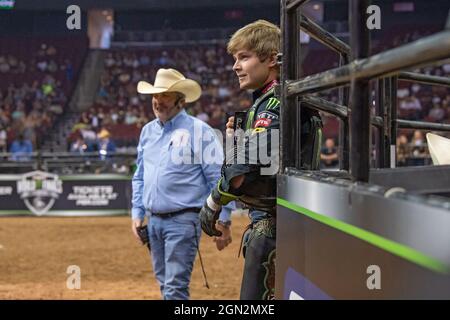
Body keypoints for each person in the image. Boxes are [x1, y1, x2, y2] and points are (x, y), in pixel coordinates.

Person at [199, 20, 322, 300]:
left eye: (244, 57)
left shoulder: (274, 102)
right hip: (287, 222)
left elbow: (243, 172)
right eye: (235, 58)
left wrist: (213, 201)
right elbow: (257, 157)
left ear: (271, 59)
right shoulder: (274, 99)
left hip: (275, 225)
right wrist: (238, 144)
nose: (235, 66)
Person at [131, 68, 232, 300]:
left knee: (175, 286)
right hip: (154, 220)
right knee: (165, 285)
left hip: (185, 219)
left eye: (165, 95)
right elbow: (139, 175)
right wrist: (137, 211)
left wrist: (224, 219)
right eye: (155, 96)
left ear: (181, 100)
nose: (158, 101)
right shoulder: (147, 131)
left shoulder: (200, 131)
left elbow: (217, 178)